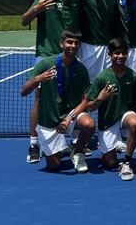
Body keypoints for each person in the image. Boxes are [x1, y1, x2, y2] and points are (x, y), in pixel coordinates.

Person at [21, 0, 81, 164]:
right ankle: (34, 143)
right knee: (39, 99)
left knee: (70, 98)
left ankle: (64, 140)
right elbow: (23, 20)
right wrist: (36, 9)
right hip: (47, 56)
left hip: (68, 57)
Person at [20, 30, 95, 173]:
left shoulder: (81, 70)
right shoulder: (46, 64)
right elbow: (23, 92)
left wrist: (69, 119)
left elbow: (85, 101)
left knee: (90, 125)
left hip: (70, 116)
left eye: (76, 43)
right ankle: (57, 148)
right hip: (49, 120)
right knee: (54, 166)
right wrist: (38, 79)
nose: (73, 46)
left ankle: (77, 152)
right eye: (69, 42)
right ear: (62, 44)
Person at [87, 38, 136, 181]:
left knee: (135, 123)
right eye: (117, 53)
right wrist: (100, 98)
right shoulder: (101, 78)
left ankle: (127, 162)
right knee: (110, 163)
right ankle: (110, 150)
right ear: (109, 55)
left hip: (125, 117)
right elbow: (89, 107)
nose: (121, 56)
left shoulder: (134, 76)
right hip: (108, 121)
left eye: (124, 53)